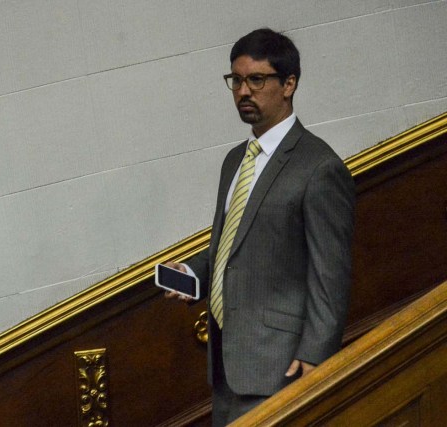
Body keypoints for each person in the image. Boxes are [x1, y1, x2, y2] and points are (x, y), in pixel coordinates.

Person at [164, 28, 355, 425]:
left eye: (256, 79)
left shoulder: (319, 167)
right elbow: (234, 243)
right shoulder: (235, 160)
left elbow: (330, 275)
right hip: (227, 366)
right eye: (236, 80)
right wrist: (193, 273)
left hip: (281, 369)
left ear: (289, 84)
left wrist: (316, 358)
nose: (243, 91)